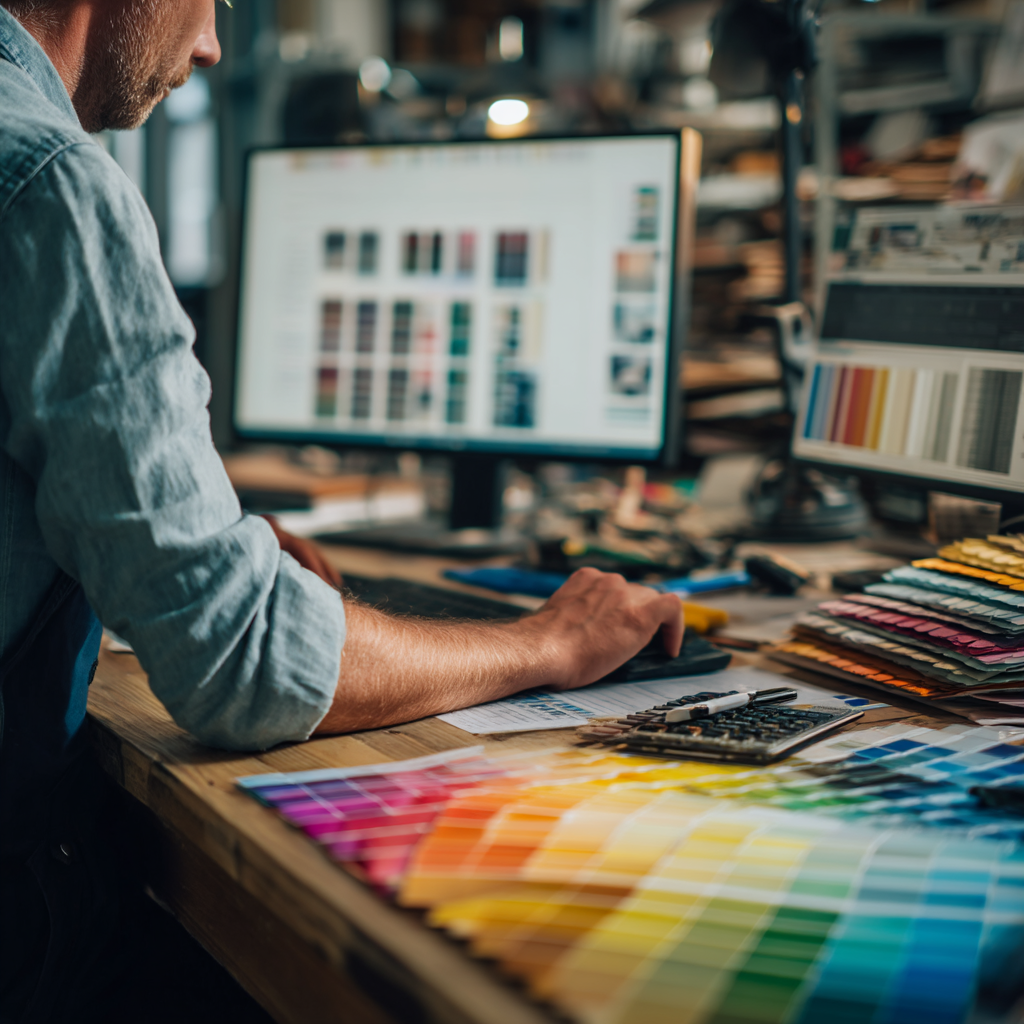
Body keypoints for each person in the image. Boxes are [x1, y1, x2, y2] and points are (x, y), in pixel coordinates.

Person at [0, 0, 685, 1020]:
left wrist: (187, 531)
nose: (211, 44)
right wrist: (549, 642)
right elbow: (240, 659)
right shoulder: (50, 181)